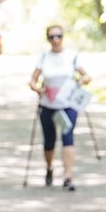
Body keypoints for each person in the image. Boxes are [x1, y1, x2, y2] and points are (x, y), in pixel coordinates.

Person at [28, 24, 91, 191]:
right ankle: (49, 168)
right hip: (48, 105)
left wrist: (82, 81)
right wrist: (37, 89)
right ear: (48, 39)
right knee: (49, 141)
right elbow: (32, 80)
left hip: (67, 105)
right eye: (51, 37)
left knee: (67, 137)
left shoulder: (72, 56)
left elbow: (86, 75)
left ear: (63, 36)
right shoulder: (43, 57)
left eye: (58, 36)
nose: (55, 39)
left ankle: (68, 176)